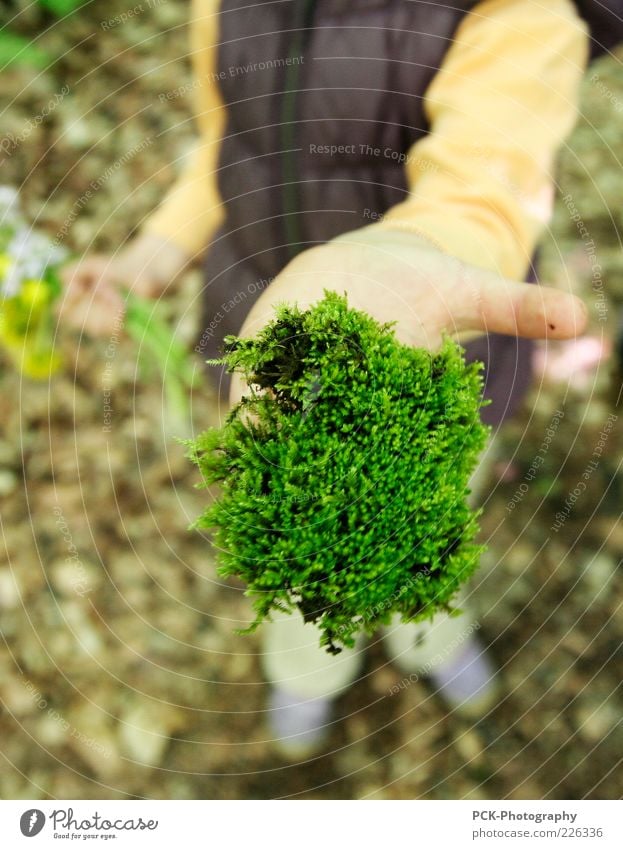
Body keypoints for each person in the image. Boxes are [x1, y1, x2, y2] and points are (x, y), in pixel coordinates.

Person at [60, 0, 623, 757]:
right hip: (268, 347)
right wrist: (154, 255)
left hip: (429, 363)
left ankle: (429, 635)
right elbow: (224, 145)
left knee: (420, 528)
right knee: (296, 547)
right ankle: (307, 669)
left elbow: (487, 184)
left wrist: (416, 250)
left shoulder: (517, 14)